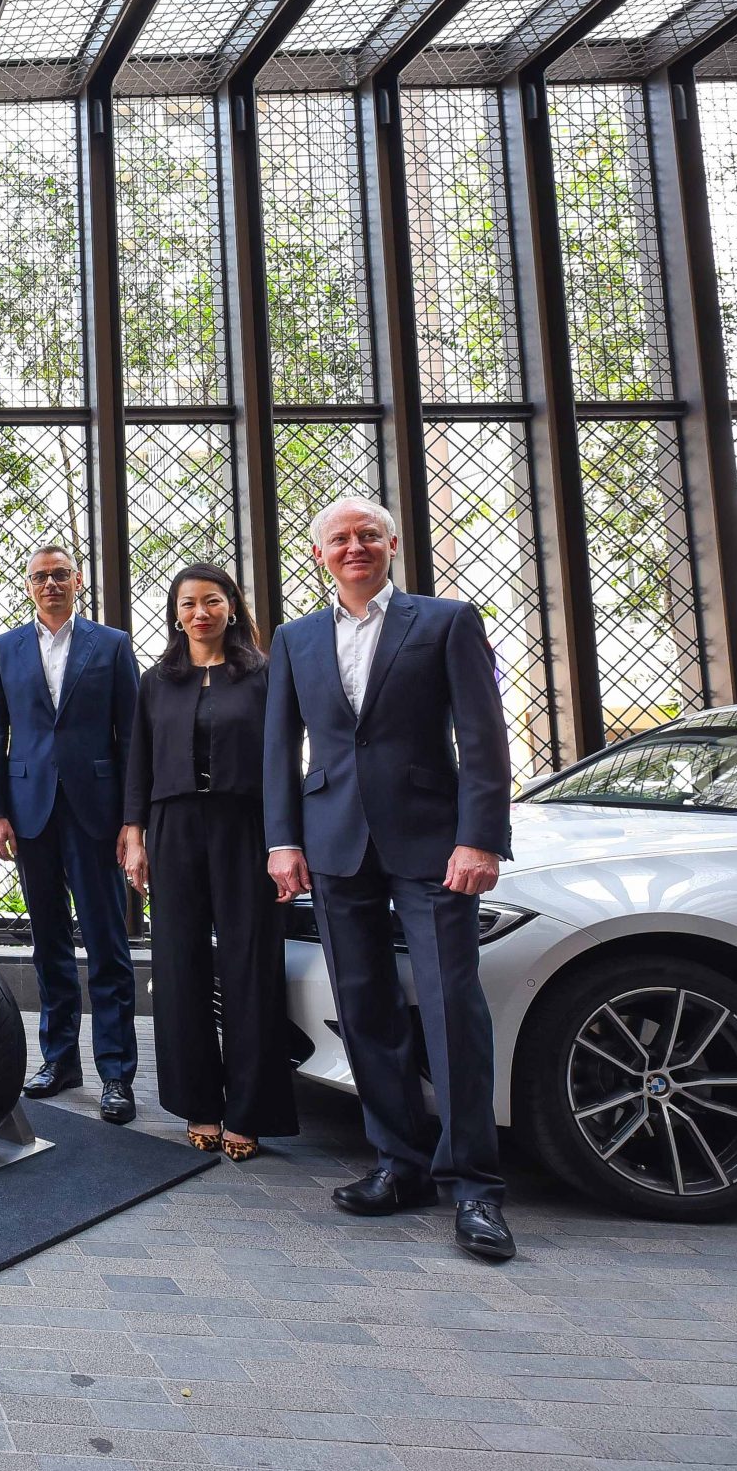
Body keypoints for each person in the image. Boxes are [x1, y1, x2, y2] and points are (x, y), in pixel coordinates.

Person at [264, 496, 517, 1263]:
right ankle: (399, 1164)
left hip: (432, 842)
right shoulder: (295, 638)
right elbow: (281, 747)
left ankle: (473, 1186)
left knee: (451, 1007)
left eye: (367, 534)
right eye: (339, 537)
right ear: (319, 554)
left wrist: (480, 837)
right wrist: (283, 841)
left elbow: (482, 735)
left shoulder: (446, 621)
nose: (354, 546)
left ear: (393, 543)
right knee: (365, 1006)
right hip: (335, 842)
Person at [121, 564, 297, 1160]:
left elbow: (283, 760)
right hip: (173, 827)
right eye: (189, 603)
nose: (201, 613)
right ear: (176, 614)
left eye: (213, 601)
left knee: (251, 963)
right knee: (179, 964)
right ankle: (198, 1103)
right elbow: (139, 764)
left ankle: (249, 1110)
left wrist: (286, 839)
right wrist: (134, 836)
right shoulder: (156, 681)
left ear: (232, 607)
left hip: (246, 825)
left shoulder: (264, 676)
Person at [0, 544, 144, 1125]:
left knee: (107, 943)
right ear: (28, 586)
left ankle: (117, 1073)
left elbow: (133, 737)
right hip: (30, 815)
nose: (50, 584)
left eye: (60, 575)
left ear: (78, 581)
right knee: (48, 940)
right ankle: (59, 1060)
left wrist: (132, 820)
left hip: (95, 812)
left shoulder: (112, 645)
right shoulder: (4, 649)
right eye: (39, 576)